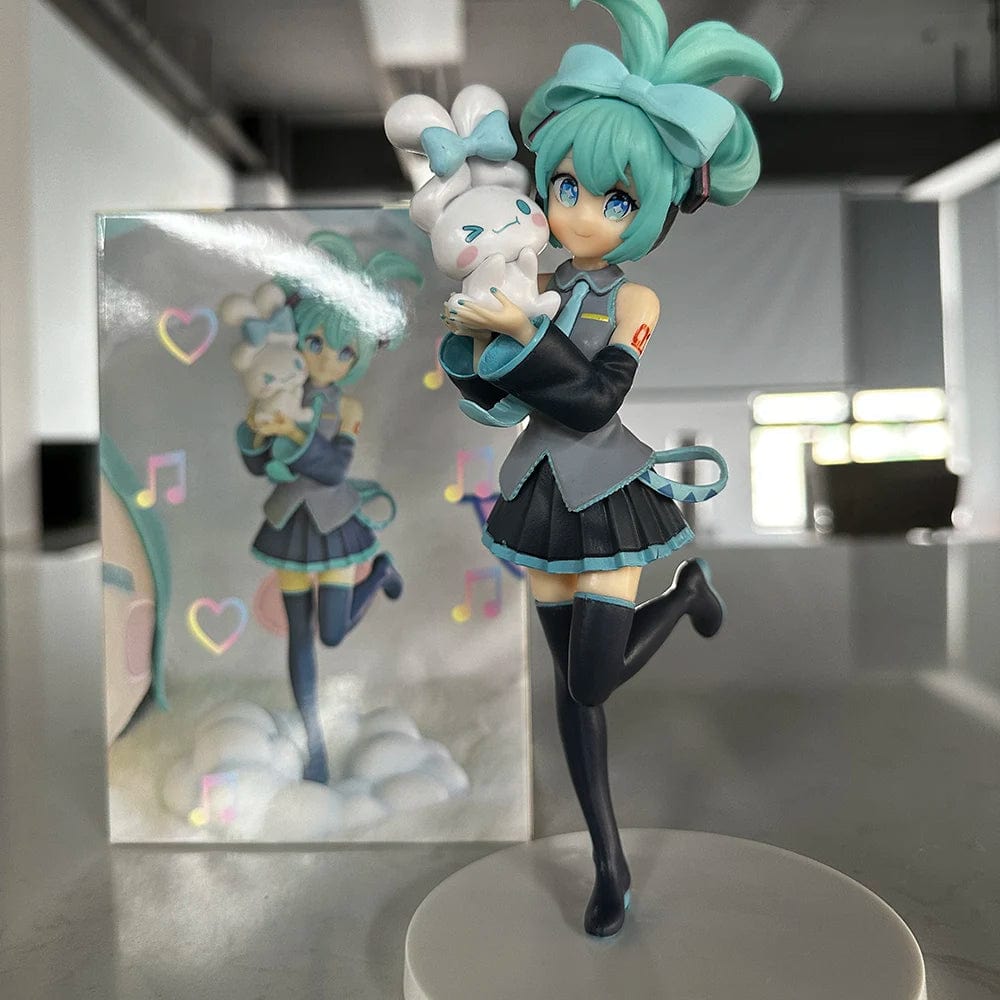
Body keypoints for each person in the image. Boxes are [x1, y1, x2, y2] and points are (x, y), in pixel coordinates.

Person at [439, 0, 782, 937]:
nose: (584, 213)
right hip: (538, 496)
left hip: (607, 494)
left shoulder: (636, 300)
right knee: (570, 693)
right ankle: (608, 860)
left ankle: (685, 592)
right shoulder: (531, 277)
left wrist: (521, 332)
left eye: (617, 201)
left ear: (655, 213)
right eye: (568, 187)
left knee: (591, 682)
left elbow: (593, 400)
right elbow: (501, 403)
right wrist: (471, 344)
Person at [236, 231, 422, 783]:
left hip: (336, 524)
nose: (328, 360)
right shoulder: (278, 389)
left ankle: (380, 571)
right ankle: (313, 739)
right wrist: (255, 431)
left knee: (332, 633)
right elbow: (256, 465)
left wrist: (292, 431)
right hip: (289, 524)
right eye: (316, 342)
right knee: (299, 634)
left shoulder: (350, 408)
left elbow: (336, 467)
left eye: (345, 352)